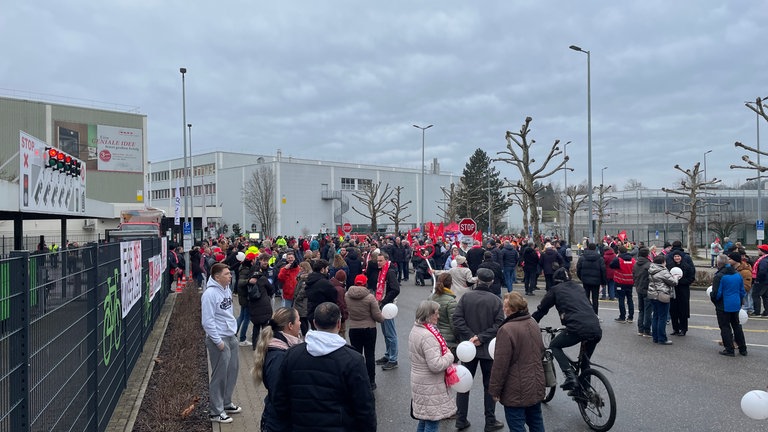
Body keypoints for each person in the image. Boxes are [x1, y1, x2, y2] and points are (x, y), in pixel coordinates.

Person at [273, 302, 377, 431]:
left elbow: (279, 399)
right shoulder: (353, 360)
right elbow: (365, 407)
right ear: (338, 324)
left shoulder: (292, 355)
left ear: (314, 323)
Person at [531, 267, 602, 392]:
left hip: (577, 328)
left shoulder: (555, 290)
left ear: (556, 280)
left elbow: (542, 309)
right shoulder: (579, 288)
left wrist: (531, 323)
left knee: (554, 345)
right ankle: (586, 392)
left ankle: (569, 376)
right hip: (595, 328)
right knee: (585, 362)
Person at [452, 268, 505, 431]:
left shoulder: (466, 297)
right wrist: (481, 337)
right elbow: (499, 324)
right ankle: (490, 420)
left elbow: (457, 319)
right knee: (489, 385)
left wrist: (471, 336)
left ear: (477, 280)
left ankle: (461, 419)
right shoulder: (496, 300)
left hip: (468, 349)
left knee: (464, 383)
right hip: (488, 349)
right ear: (491, 282)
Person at [489, 292, 545, 432]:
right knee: (536, 421)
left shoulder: (506, 330)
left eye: (505, 306)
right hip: (535, 383)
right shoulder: (533, 323)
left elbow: (500, 365)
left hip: (515, 389)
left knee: (517, 426)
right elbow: (541, 351)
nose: (503, 309)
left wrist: (495, 390)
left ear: (512, 309)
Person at [201, 263, 242, 423]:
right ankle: (216, 412)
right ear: (217, 277)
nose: (230, 276)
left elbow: (227, 313)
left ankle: (226, 402)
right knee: (219, 375)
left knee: (232, 371)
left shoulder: (226, 289)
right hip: (219, 339)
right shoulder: (210, 294)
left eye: (229, 273)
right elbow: (207, 321)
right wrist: (218, 341)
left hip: (231, 336)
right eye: (226, 274)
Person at [409, 300, 458, 432]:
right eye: (436, 313)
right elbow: (435, 365)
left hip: (421, 381)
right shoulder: (428, 336)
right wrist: (450, 356)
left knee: (424, 419)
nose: (438, 316)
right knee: (432, 422)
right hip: (430, 384)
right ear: (428, 315)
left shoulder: (416, 329)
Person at [251, 307, 302, 432]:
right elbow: (278, 396)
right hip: (278, 424)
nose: (300, 324)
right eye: (298, 320)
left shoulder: (283, 349)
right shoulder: (278, 357)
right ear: (290, 325)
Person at [346, 274, 384, 390]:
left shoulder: (347, 295)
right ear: (365, 283)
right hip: (369, 328)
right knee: (370, 355)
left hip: (354, 328)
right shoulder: (370, 297)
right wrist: (382, 318)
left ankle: (358, 379)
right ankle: (371, 381)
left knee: (356, 356)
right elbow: (377, 316)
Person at [710, 253, 747, 356]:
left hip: (724, 305)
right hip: (736, 303)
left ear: (718, 263)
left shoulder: (719, 276)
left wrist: (715, 300)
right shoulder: (737, 274)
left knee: (725, 327)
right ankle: (743, 348)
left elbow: (717, 294)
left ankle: (729, 349)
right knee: (737, 326)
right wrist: (740, 301)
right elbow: (742, 291)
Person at [374, 252, 401, 371]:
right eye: (378, 260)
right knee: (386, 333)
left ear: (386, 260)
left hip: (387, 306)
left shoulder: (389, 272)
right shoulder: (383, 271)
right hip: (383, 304)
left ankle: (393, 359)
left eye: (381, 261)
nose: (378, 263)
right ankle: (388, 355)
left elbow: (396, 289)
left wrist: (384, 301)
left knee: (390, 334)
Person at [247, 253, 276, 347]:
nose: (265, 262)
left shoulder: (251, 279)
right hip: (264, 303)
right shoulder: (263, 279)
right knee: (265, 326)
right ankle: (264, 345)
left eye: (266, 260)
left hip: (254, 304)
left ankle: (255, 345)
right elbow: (271, 289)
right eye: (264, 260)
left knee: (256, 326)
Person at [647, 254, 677, 344]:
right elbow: (673, 282)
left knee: (655, 316)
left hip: (652, 294)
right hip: (662, 295)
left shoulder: (651, 269)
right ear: (663, 262)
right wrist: (676, 277)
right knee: (662, 317)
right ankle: (662, 338)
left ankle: (655, 337)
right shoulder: (663, 271)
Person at [667, 250, 695, 336]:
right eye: (675, 256)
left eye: (678, 256)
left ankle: (683, 329)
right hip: (673, 290)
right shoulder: (670, 266)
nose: (677, 258)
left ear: (681, 257)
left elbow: (691, 278)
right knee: (673, 310)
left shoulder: (687, 266)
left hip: (683, 291)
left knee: (683, 311)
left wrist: (681, 281)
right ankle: (675, 329)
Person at [430, 272, 458, 357]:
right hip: (448, 340)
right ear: (450, 284)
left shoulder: (431, 298)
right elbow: (454, 323)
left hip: (433, 336)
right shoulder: (451, 301)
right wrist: (458, 338)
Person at [305, 259, 338, 328]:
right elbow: (334, 297)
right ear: (322, 269)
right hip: (323, 314)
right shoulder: (324, 283)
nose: (328, 271)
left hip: (311, 311)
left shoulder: (310, 279)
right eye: (327, 268)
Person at [576, 242, 606, 314]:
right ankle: (595, 314)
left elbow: (578, 269)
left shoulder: (582, 257)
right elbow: (603, 270)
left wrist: (581, 278)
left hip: (585, 280)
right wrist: (603, 282)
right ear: (595, 248)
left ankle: (586, 313)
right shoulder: (600, 258)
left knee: (586, 298)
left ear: (588, 248)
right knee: (595, 299)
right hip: (596, 281)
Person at [610, 246, 635, 323]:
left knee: (621, 300)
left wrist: (617, 256)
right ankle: (630, 317)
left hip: (620, 282)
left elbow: (611, 265)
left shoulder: (618, 260)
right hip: (630, 282)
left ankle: (622, 317)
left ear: (619, 251)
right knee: (630, 299)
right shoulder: (633, 260)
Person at [633, 247, 653, 337]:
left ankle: (640, 329)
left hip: (639, 288)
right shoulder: (649, 265)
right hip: (647, 289)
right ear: (647, 255)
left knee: (641, 310)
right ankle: (647, 330)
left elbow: (634, 276)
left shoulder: (636, 264)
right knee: (648, 311)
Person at [751, 244, 768, 316]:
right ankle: (766, 311)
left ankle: (756, 311)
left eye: (759, 250)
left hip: (761, 281)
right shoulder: (765, 259)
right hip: (766, 281)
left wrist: (757, 279)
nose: (758, 251)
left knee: (755, 295)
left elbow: (762, 271)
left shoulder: (763, 261)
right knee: (765, 296)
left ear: (763, 251)